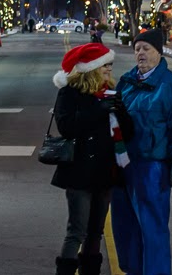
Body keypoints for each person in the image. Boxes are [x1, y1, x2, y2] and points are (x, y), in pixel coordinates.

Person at [110, 28, 172, 275]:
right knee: (125, 227)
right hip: (124, 164)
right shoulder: (126, 82)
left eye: (146, 48)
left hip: (152, 167)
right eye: (137, 49)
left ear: (159, 52)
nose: (141, 53)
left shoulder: (171, 85)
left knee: (153, 229)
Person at [50, 43, 133, 275]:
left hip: (105, 172)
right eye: (105, 65)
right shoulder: (69, 93)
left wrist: (120, 111)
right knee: (77, 231)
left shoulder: (110, 93)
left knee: (96, 231)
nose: (109, 69)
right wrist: (99, 110)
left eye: (110, 65)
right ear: (92, 69)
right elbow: (66, 127)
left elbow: (128, 133)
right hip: (79, 173)